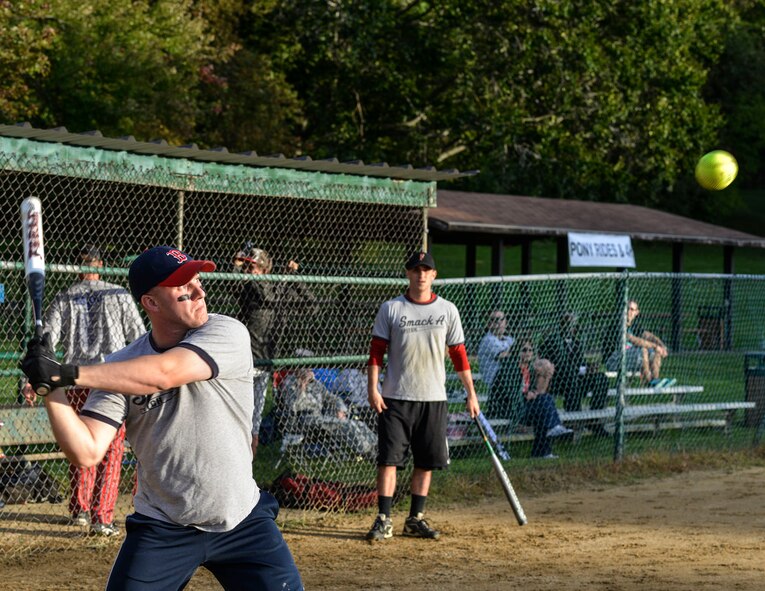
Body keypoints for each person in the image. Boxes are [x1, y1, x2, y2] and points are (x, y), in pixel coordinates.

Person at [21, 245, 303, 591]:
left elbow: (165, 373)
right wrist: (51, 388)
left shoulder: (227, 332)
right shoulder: (119, 368)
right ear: (151, 304)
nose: (199, 291)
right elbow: (86, 450)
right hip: (163, 526)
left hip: (242, 520)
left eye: (197, 280)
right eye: (183, 286)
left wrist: (67, 373)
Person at [366, 250, 480, 542]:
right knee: (389, 460)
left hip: (433, 397)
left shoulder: (447, 310)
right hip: (395, 397)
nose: (420, 275)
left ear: (433, 275)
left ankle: (415, 518)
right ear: (408, 273)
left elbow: (459, 356)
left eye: (425, 270)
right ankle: (384, 518)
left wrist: (471, 394)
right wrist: (373, 388)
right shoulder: (391, 308)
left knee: (425, 461)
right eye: (415, 270)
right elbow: (376, 352)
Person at [38, 245, 145, 536]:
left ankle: (80, 510)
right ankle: (102, 516)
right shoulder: (119, 293)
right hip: (110, 377)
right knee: (110, 450)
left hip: (76, 377)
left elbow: (48, 337)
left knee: (79, 444)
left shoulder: (66, 294)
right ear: (102, 263)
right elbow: (138, 336)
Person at [234, 242, 319, 458]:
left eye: (252, 268)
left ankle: (248, 466)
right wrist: (236, 266)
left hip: (264, 364)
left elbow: (312, 305)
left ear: (264, 270)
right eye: (247, 268)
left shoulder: (280, 290)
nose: (248, 272)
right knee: (236, 415)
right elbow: (237, 285)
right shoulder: (248, 289)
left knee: (254, 419)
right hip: (243, 362)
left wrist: (294, 278)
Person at [276, 355, 377, 461]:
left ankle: (376, 447)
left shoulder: (315, 384)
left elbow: (331, 397)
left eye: (309, 367)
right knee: (347, 425)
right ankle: (368, 453)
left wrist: (340, 409)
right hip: (302, 421)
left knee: (358, 424)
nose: (309, 370)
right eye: (305, 367)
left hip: (318, 419)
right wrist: (302, 386)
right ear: (296, 368)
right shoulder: (289, 384)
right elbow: (293, 407)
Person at [487, 340, 572, 459]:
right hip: (508, 409)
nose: (527, 353)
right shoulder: (509, 367)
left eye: (530, 350)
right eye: (524, 350)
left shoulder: (529, 370)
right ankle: (547, 441)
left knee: (544, 405)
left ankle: (542, 451)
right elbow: (508, 394)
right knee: (544, 407)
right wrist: (526, 395)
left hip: (523, 406)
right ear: (517, 351)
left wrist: (547, 376)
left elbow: (540, 392)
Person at [539, 312, 609, 414]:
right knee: (571, 376)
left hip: (576, 379)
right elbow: (560, 365)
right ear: (561, 325)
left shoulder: (577, 344)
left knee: (602, 378)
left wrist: (589, 367)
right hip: (559, 380)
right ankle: (574, 416)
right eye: (567, 323)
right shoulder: (553, 341)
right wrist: (584, 369)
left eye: (572, 324)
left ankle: (596, 415)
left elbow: (580, 362)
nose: (570, 327)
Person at [606, 299, 672, 386]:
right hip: (614, 360)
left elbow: (648, 336)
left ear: (637, 312)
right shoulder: (618, 324)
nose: (629, 312)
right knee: (643, 350)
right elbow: (635, 340)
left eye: (632, 309)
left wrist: (662, 346)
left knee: (656, 352)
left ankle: (655, 380)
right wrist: (655, 346)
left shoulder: (634, 325)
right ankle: (649, 382)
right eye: (628, 308)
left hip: (630, 358)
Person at [477, 310, 515, 390]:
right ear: (489, 324)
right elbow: (504, 356)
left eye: (501, 319)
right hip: (494, 385)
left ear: (506, 322)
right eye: (494, 319)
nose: (498, 323)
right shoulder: (488, 340)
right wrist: (516, 351)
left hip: (509, 382)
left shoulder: (509, 339)